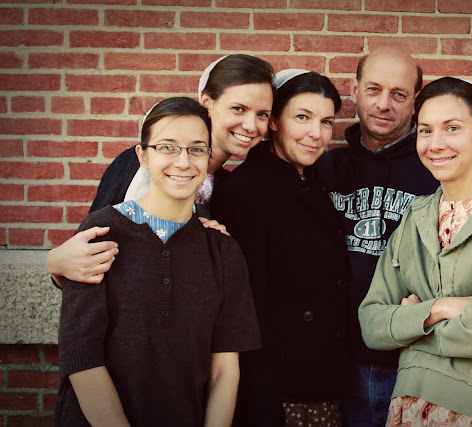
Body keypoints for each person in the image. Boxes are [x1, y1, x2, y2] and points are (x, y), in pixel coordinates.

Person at [313, 46, 472, 426]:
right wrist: (443, 310)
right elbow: (372, 320)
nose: (383, 104)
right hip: (370, 369)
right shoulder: (329, 171)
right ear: (355, 91)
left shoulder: (453, 178)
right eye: (373, 89)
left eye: (398, 94)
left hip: (464, 388)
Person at [55, 97, 261, 426]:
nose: (184, 161)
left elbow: (224, 370)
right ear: (143, 156)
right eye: (167, 147)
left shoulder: (221, 250)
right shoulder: (101, 233)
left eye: (197, 149)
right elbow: (82, 359)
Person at [46, 54, 275, 287]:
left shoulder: (228, 186)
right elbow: (85, 253)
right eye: (238, 109)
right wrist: (55, 264)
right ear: (207, 102)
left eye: (262, 114)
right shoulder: (137, 164)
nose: (251, 126)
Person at [210, 70, 350, 426]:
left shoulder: (316, 181)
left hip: (324, 376)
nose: (316, 133)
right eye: (302, 117)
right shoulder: (246, 192)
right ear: (273, 121)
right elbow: (244, 309)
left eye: (326, 121)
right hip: (280, 389)